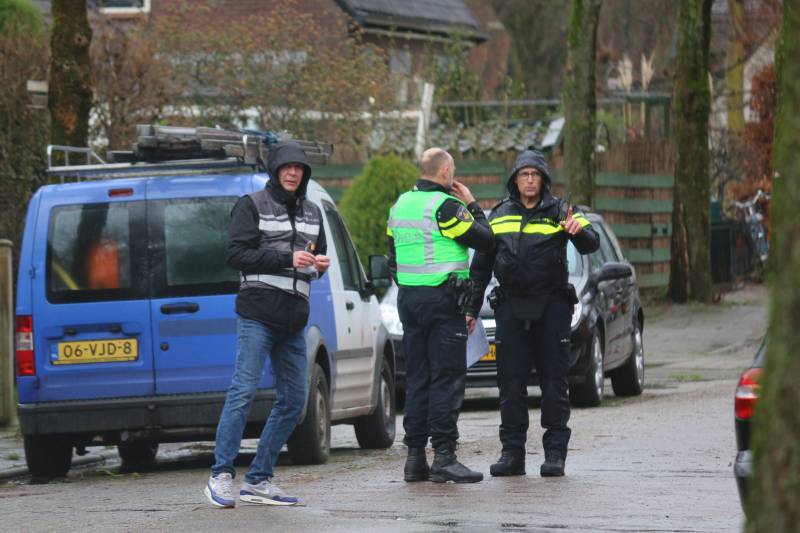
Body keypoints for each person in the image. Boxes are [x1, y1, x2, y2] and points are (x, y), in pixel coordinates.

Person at [204, 141, 330, 508]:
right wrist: (286, 258)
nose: (293, 173)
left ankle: (258, 479)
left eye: (300, 168)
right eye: (286, 167)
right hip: (257, 314)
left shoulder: (313, 212)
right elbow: (235, 255)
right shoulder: (251, 205)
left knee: (294, 400)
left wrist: (318, 266)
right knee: (243, 392)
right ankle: (221, 475)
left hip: (294, 319)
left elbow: (309, 263)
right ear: (274, 170)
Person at [468, 149, 599, 478]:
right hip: (511, 307)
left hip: (551, 306)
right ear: (515, 179)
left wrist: (576, 231)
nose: (529, 180)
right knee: (510, 384)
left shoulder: (561, 210)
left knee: (554, 382)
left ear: (543, 179)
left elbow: (591, 243)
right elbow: (481, 266)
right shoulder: (498, 214)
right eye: (523, 175)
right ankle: (512, 454)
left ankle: (555, 453)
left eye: (534, 174)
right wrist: (470, 308)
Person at [387, 147, 494, 483]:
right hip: (443, 301)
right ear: (447, 170)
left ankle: (415, 458)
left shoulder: (400, 204)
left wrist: (412, 287)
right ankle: (445, 456)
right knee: (446, 377)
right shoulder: (447, 208)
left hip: (409, 300)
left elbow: (392, 258)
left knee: (418, 378)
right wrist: (473, 205)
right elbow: (487, 240)